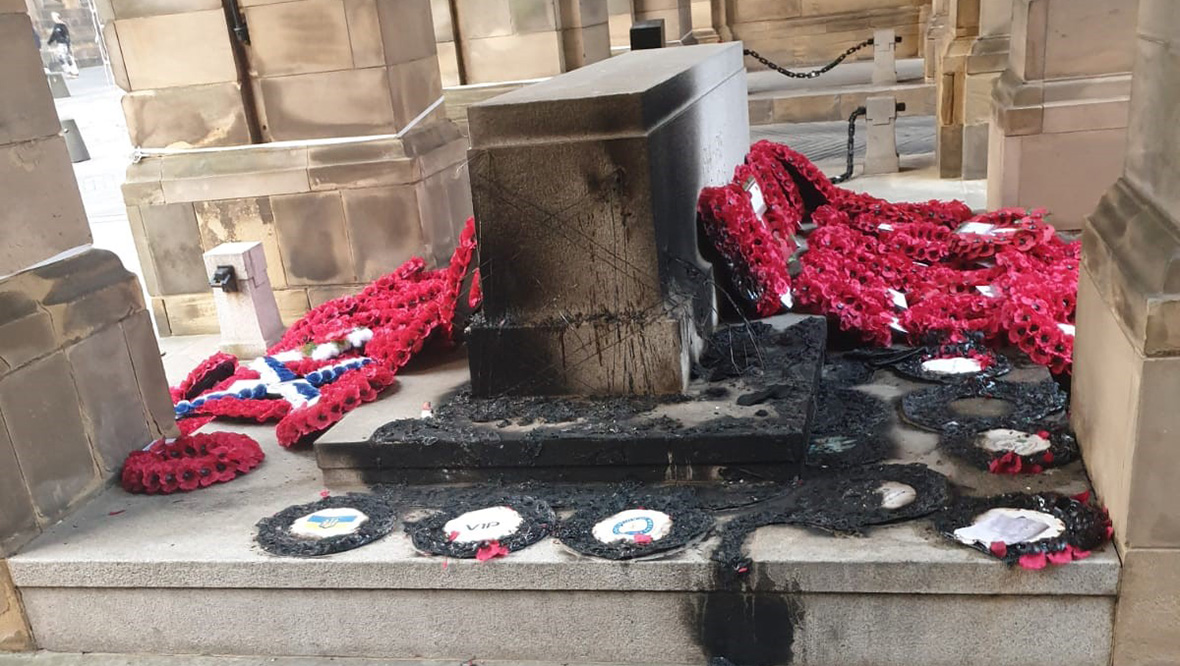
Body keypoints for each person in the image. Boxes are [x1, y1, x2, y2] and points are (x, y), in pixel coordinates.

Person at [46, 12, 79, 78]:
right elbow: (54, 35)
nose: (53, 18)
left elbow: (67, 35)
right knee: (61, 58)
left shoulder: (62, 25)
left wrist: (67, 44)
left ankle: (74, 71)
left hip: (64, 44)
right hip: (60, 44)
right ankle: (68, 71)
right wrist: (49, 42)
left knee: (67, 57)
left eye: (54, 17)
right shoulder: (56, 26)